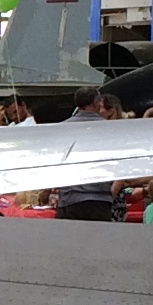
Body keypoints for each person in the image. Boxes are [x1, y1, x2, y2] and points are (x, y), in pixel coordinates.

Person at [54, 86, 116, 221]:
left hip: (69, 199)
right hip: (99, 199)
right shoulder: (110, 130)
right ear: (96, 102)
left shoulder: (61, 129)